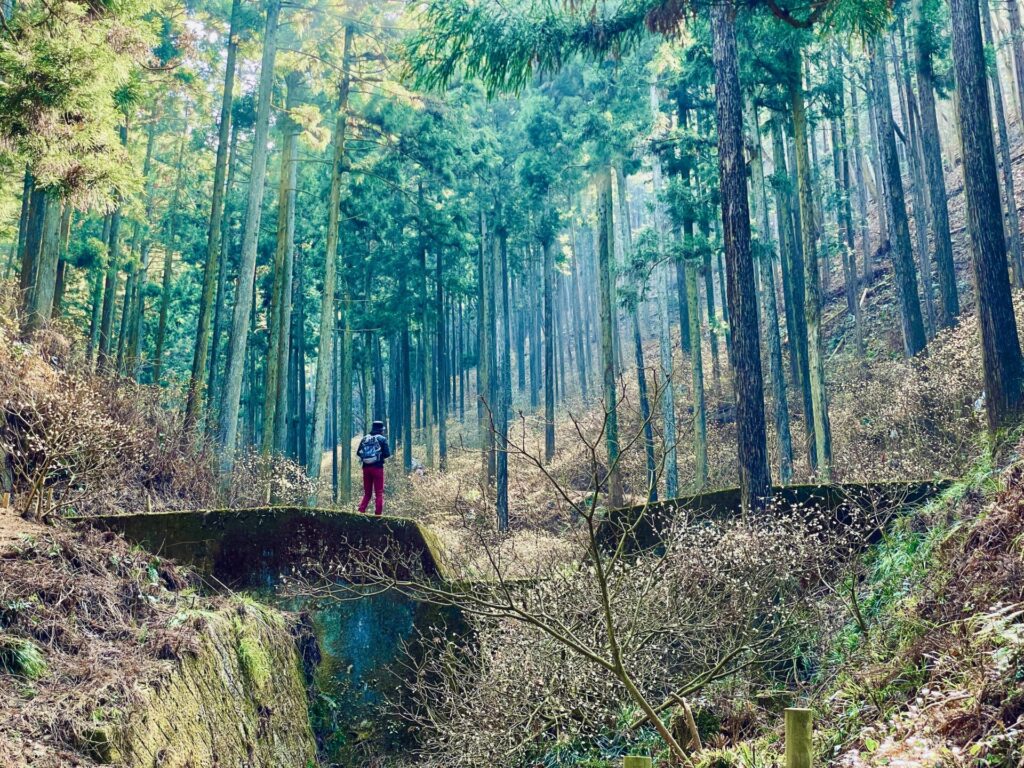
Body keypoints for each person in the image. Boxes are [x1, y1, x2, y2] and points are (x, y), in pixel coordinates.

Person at [356, 420, 390, 516]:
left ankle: (361, 512)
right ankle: (378, 515)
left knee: (367, 493)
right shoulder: (382, 439)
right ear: (381, 430)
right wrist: (378, 457)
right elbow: (387, 454)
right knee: (379, 493)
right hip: (378, 468)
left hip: (366, 468)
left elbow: (358, 452)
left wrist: (367, 457)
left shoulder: (365, 438)